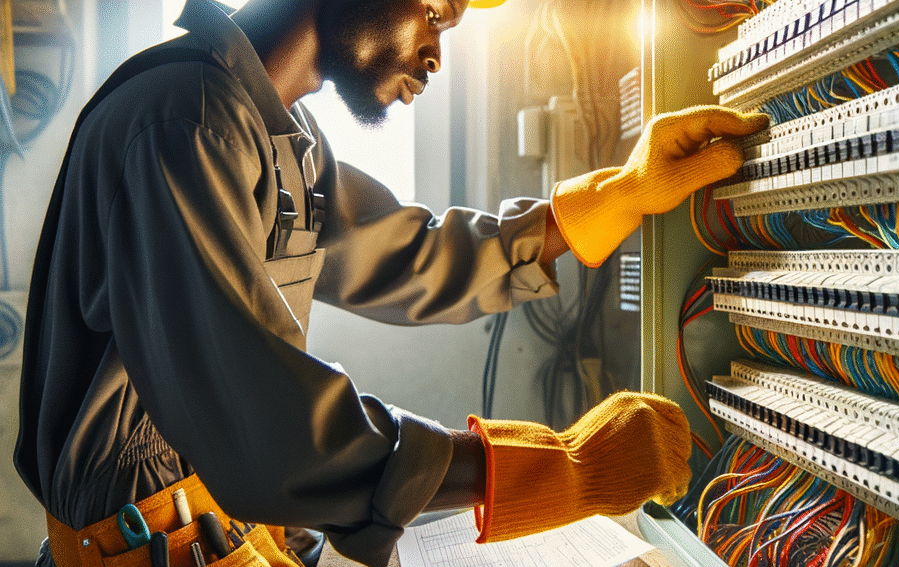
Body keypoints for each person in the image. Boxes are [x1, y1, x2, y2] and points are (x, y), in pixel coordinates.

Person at [14, 0, 768, 566]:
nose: (435, 54)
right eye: (436, 13)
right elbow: (270, 427)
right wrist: (559, 467)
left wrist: (622, 194)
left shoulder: (281, 136)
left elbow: (409, 255)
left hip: (220, 531)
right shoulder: (185, 121)